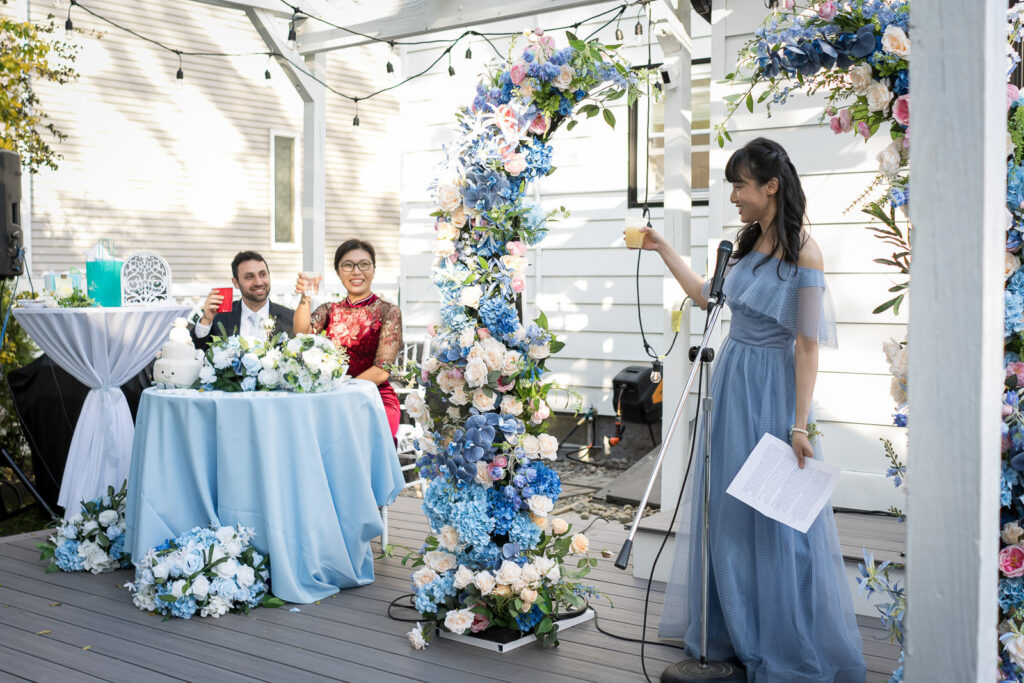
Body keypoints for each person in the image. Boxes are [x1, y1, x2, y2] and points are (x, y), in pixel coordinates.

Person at [638, 138, 865, 682]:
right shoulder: (745, 243)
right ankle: (734, 631)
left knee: (775, 520)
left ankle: (782, 640)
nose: (733, 195)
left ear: (771, 186)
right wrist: (662, 246)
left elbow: (807, 345)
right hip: (732, 381)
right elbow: (705, 296)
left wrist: (800, 424)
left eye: (740, 184)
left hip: (772, 391)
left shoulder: (804, 253)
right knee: (728, 515)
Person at [293, 239, 403, 439]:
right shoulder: (329, 310)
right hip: (332, 398)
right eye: (348, 265)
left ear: (373, 269)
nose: (356, 271)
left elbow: (381, 372)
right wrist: (304, 298)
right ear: (338, 272)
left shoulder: (389, 312)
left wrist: (340, 391)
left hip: (374, 397)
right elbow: (302, 335)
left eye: (364, 264)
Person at [191, 251, 295, 350]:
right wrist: (206, 320)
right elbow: (198, 350)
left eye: (263, 274)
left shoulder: (291, 319)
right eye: (249, 277)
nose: (258, 282)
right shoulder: (220, 318)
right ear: (236, 282)